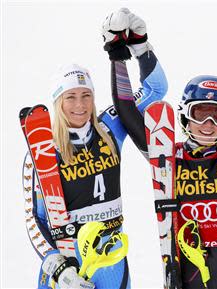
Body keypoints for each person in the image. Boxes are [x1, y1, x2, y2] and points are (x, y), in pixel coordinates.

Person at [107, 5, 217, 288]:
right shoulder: (167, 156)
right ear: (186, 114)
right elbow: (127, 111)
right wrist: (118, 53)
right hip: (186, 275)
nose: (209, 123)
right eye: (201, 113)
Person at [21, 8, 167, 289]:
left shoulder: (110, 126)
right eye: (70, 97)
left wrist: (140, 45)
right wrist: (57, 265)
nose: (80, 105)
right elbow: (34, 218)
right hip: (67, 263)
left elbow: (155, 90)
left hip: (111, 258)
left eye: (86, 95)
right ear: (57, 102)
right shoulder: (42, 147)